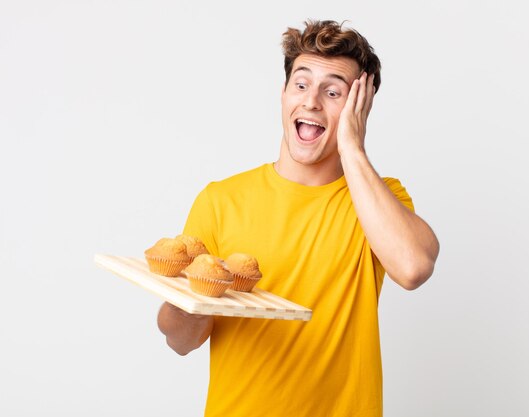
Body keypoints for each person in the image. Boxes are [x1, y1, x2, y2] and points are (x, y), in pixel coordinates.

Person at [157, 19, 439, 417]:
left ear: (359, 108)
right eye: (301, 84)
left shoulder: (380, 199)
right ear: (284, 94)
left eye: (334, 91)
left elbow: (413, 267)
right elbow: (181, 342)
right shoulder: (221, 200)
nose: (311, 102)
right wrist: (190, 297)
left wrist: (353, 148)